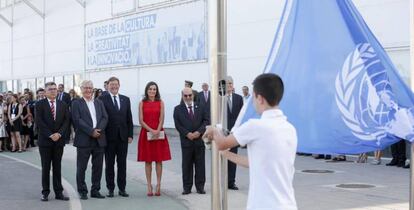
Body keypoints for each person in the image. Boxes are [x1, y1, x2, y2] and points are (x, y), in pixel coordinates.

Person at [204, 73, 298, 210]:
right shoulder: (290, 129)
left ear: (259, 98)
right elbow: (256, 162)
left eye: (253, 97)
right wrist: (227, 155)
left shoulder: (254, 126)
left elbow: (222, 143)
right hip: (288, 204)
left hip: (264, 205)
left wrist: (213, 129)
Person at [72, 80, 108, 200]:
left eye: (90, 88)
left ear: (93, 89)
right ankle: (82, 191)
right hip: (84, 140)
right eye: (86, 88)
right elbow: (77, 120)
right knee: (81, 167)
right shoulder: (76, 103)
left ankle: (95, 190)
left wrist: (98, 130)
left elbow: (105, 117)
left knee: (97, 167)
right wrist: (91, 131)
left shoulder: (99, 102)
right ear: (81, 89)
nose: (88, 90)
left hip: (99, 139)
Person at [35, 82, 70, 202]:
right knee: (46, 167)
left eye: (55, 89)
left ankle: (59, 192)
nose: (53, 91)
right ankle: (45, 192)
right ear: (45, 92)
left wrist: (59, 134)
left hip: (59, 141)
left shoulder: (63, 104)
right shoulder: (39, 104)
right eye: (50, 89)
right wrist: (50, 135)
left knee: (57, 167)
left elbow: (66, 121)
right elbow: (39, 122)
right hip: (45, 141)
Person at [100, 77, 134, 197]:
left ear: (119, 85)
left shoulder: (125, 99)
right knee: (109, 164)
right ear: (107, 86)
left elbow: (129, 118)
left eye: (116, 84)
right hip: (109, 138)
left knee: (122, 164)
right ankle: (110, 189)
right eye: (111, 84)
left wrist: (130, 134)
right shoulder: (101, 99)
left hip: (123, 138)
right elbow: (100, 118)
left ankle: (122, 189)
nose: (114, 86)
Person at [137, 81, 171, 196]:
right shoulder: (142, 103)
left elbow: (162, 118)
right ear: (147, 90)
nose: (152, 91)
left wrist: (157, 129)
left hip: (159, 133)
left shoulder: (161, 102)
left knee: (159, 160)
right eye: (150, 89)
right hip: (146, 134)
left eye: (154, 89)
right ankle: (149, 185)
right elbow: (141, 120)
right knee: (148, 160)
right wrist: (151, 130)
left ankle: (158, 184)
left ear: (157, 91)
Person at [173, 87, 209, 195]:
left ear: (193, 95)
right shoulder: (178, 109)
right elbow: (178, 124)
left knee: (200, 165)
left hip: (199, 140)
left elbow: (206, 120)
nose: (188, 97)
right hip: (186, 141)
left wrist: (199, 132)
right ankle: (187, 187)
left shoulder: (201, 107)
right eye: (185, 96)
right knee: (187, 165)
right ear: (182, 96)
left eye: (190, 95)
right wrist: (187, 134)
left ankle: (200, 187)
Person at [225, 76, 244, 190]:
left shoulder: (239, 98)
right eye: (227, 83)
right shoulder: (219, 98)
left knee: (233, 159)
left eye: (231, 83)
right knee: (222, 159)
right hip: (223, 134)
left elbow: (241, 117)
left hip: (235, 134)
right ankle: (222, 181)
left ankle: (231, 182)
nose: (230, 85)